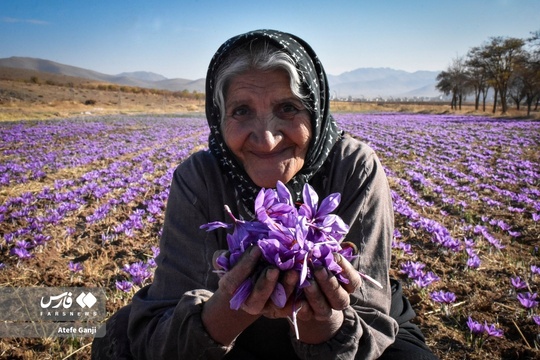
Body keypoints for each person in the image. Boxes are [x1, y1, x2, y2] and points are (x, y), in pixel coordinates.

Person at [92, 29, 438, 359]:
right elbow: (167, 321)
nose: (267, 138)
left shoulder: (354, 167)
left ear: (315, 111)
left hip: (344, 332)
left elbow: (366, 319)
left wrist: (321, 319)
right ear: (219, 118)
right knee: (116, 346)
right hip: (228, 332)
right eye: (242, 111)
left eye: (288, 108)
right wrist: (232, 305)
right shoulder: (199, 177)